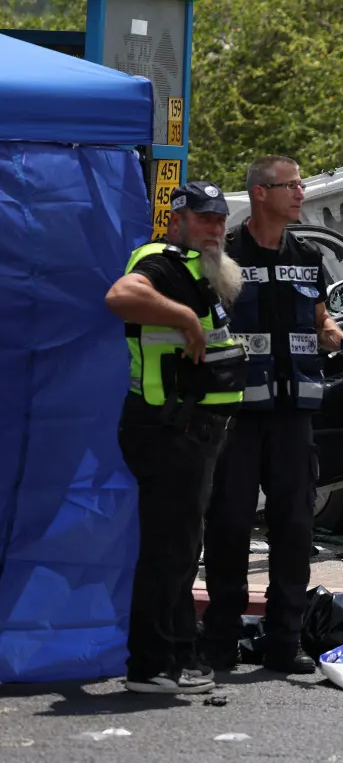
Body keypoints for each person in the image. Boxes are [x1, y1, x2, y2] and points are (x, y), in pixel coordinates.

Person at [201, 155, 343, 675]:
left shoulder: (307, 256)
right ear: (259, 193)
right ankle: (221, 639)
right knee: (228, 524)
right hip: (235, 416)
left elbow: (318, 319)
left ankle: (284, 642)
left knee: (294, 528)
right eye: (289, 185)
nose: (300, 193)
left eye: (300, 184)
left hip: (294, 415)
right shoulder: (222, 254)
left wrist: (340, 339)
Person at [105, 182, 248, 694]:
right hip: (169, 430)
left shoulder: (202, 270)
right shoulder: (160, 260)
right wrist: (183, 316)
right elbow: (120, 296)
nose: (214, 229)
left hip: (197, 432)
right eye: (204, 219)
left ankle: (180, 658)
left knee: (182, 552)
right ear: (177, 218)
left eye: (219, 221)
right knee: (169, 552)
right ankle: (151, 666)